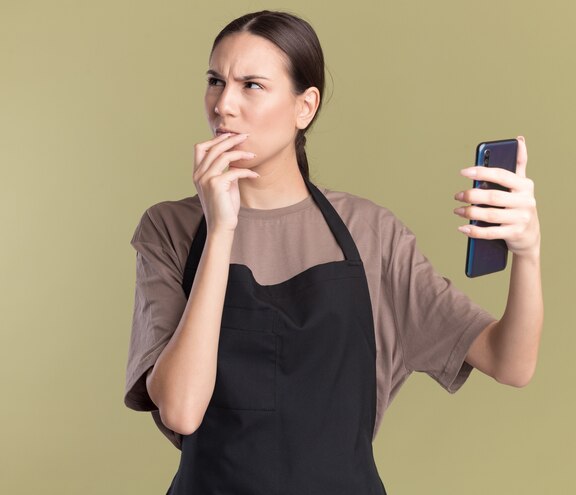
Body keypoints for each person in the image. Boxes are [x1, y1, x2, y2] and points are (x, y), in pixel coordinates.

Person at [123, 9, 543, 494]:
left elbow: (511, 363)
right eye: (216, 81)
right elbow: (180, 409)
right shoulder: (170, 229)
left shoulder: (371, 233)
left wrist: (528, 252)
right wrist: (220, 230)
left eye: (252, 85)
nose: (224, 105)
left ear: (305, 107)